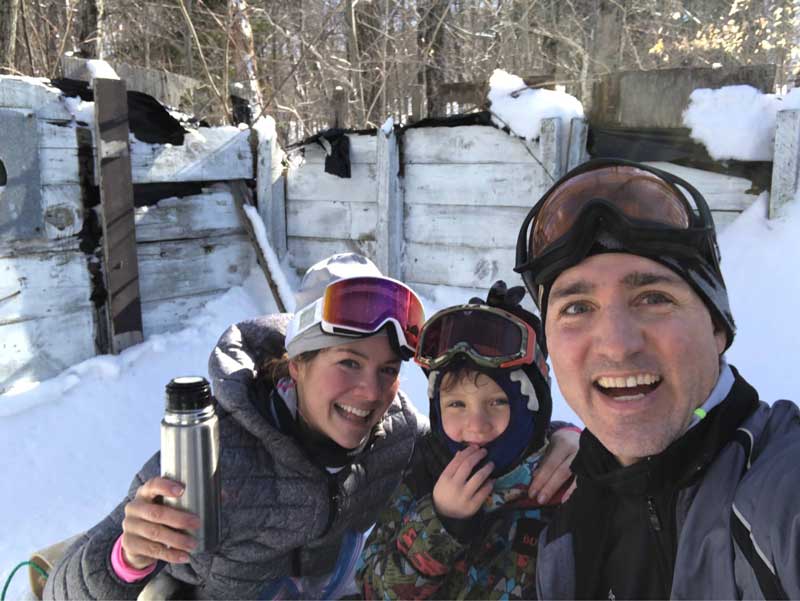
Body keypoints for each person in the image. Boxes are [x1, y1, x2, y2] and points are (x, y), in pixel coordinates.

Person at [43, 253, 577, 600]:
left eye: (387, 371)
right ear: (296, 364)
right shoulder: (211, 456)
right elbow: (66, 590)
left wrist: (561, 440)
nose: (370, 393)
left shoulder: (397, 439)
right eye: (347, 364)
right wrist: (127, 556)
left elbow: (484, 425)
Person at [514, 158, 800, 599]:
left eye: (653, 297)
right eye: (576, 308)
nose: (617, 345)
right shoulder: (562, 527)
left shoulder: (778, 490)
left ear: (717, 327)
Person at [357, 281, 580, 600]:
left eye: (498, 402)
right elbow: (371, 590)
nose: (476, 426)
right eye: (456, 405)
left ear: (531, 409)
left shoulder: (565, 484)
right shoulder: (424, 472)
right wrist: (441, 522)